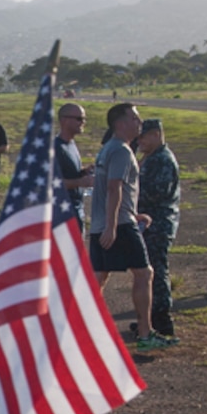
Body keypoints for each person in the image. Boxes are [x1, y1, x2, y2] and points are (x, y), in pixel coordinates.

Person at [90, 103, 169, 351]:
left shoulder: (107, 149)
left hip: (108, 222)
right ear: (120, 123)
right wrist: (114, 226)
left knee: (100, 276)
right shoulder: (122, 151)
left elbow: (111, 191)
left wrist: (134, 214)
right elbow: (114, 188)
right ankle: (145, 333)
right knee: (144, 274)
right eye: (135, 118)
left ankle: (83, 330)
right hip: (118, 224)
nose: (140, 122)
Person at [136, 118, 181, 343]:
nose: (140, 141)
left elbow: (157, 192)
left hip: (159, 223)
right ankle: (149, 318)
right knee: (148, 270)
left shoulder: (162, 160)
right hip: (147, 223)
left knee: (157, 270)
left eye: (143, 137)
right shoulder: (149, 158)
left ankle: (161, 317)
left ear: (156, 134)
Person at [54, 103, 94, 237]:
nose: (83, 122)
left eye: (84, 119)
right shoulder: (56, 148)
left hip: (76, 207)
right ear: (64, 120)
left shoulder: (71, 144)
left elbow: (68, 172)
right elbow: (51, 182)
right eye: (79, 119)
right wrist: (80, 182)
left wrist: (83, 171)